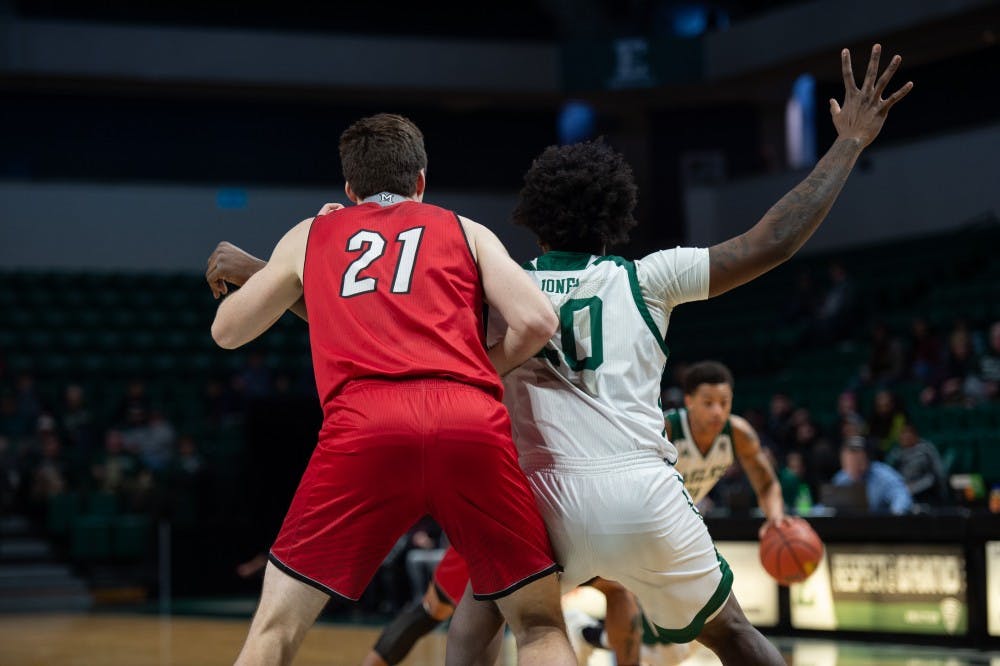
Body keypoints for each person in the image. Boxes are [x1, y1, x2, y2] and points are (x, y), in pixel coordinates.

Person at [447, 44, 912, 666]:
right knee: (736, 637)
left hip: (543, 498)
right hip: (643, 492)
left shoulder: (504, 286)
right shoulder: (648, 278)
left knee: (479, 626)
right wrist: (848, 143)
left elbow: (398, 326)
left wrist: (282, 277)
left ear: (535, 219)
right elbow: (771, 241)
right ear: (616, 216)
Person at [207, 113, 575, 666]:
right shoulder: (465, 228)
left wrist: (274, 273)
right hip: (468, 418)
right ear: (422, 180)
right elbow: (538, 322)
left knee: (275, 630)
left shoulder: (313, 232)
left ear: (349, 188)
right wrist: (477, 367)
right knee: (540, 625)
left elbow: (228, 332)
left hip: (364, 427)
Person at [569, 361, 788, 665]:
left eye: (724, 403)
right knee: (633, 604)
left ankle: (587, 634)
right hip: (636, 520)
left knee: (673, 644)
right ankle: (590, 635)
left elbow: (766, 484)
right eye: (708, 403)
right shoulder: (666, 429)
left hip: (674, 527)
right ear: (688, 401)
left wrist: (775, 518)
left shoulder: (737, 434)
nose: (717, 412)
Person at [832, 435, 913, 514]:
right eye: (849, 462)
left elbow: (901, 496)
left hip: (881, 525)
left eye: (858, 461)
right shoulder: (841, 478)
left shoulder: (883, 475)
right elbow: (827, 506)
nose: (854, 466)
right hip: (850, 525)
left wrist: (896, 515)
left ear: (868, 458)